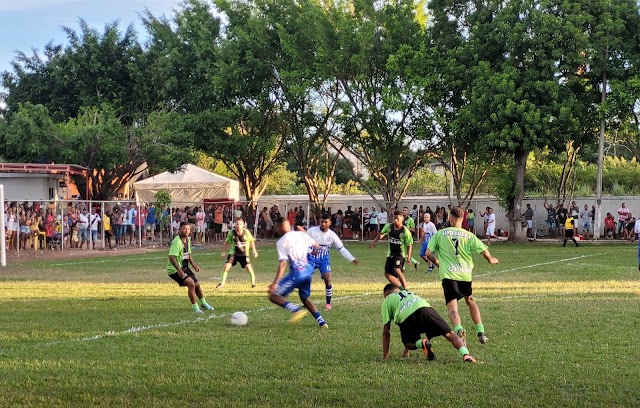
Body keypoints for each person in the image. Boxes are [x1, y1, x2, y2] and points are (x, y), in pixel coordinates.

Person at [426, 206, 499, 345]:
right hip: (465, 274)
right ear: (463, 218)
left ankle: (459, 330)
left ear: (450, 218)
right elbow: (483, 251)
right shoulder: (469, 235)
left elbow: (428, 253)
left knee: (453, 308)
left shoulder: (441, 234)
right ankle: (481, 332)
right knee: (470, 300)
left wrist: (438, 263)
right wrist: (491, 259)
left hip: (449, 275)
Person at [381, 284, 476, 363]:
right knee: (449, 333)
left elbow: (386, 332)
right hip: (425, 309)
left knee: (408, 343)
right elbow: (412, 307)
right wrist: (406, 353)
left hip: (406, 317)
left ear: (386, 294)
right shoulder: (409, 292)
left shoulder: (387, 300)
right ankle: (466, 355)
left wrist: (385, 356)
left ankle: (423, 343)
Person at [267, 219, 328, 328]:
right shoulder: (301, 234)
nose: (275, 229)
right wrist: (310, 249)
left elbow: (283, 264)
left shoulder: (282, 241)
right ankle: (322, 322)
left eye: (276, 227)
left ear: (280, 227)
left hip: (297, 274)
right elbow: (316, 247)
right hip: (307, 273)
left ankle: (296, 310)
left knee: (273, 296)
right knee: (304, 298)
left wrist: (275, 283)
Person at [304, 213, 360, 310]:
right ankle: (305, 300)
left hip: (323, 260)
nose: (323, 224)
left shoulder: (332, 235)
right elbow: (302, 243)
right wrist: (310, 251)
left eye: (326, 222)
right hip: (310, 259)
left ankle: (328, 303)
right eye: (322, 222)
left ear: (330, 223)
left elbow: (341, 249)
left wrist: (352, 258)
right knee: (306, 278)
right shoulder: (312, 231)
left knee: (327, 278)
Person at [167, 222, 214, 314]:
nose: (186, 231)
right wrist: (179, 270)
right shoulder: (177, 242)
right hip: (174, 270)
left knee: (197, 285)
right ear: (179, 229)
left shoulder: (188, 240)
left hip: (184, 268)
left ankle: (203, 303)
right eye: (184, 229)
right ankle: (195, 308)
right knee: (191, 284)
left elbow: (188, 254)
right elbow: (171, 257)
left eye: (188, 229)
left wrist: (193, 265)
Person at [369, 210, 413, 290]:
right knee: (387, 274)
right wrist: (374, 242)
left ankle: (406, 289)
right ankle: (401, 289)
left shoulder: (405, 231)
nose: (396, 220)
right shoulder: (389, 226)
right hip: (390, 254)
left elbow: (409, 245)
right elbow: (381, 234)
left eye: (397, 218)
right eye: (394, 218)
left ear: (402, 218)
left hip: (400, 254)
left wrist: (409, 257)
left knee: (397, 269)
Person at [218, 218, 258, 288]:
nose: (238, 226)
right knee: (226, 267)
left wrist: (254, 250)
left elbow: (251, 241)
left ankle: (253, 283)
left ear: (243, 225)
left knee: (248, 267)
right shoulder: (231, 232)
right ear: (235, 225)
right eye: (237, 224)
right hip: (233, 253)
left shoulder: (246, 232)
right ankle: (222, 283)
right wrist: (223, 251)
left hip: (244, 254)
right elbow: (226, 242)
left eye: (240, 224)